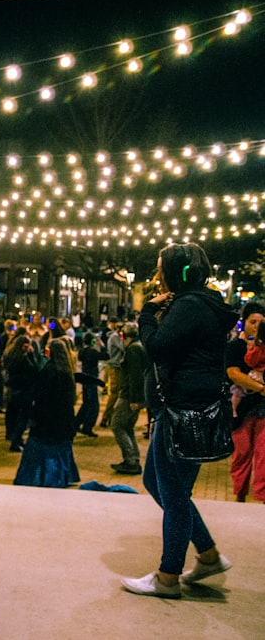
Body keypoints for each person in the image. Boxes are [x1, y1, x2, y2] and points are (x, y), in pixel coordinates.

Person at [122, 243, 234, 599]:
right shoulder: (201, 302)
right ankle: (208, 553)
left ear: (176, 271)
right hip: (184, 408)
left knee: (173, 494)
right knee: (156, 481)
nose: (157, 274)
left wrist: (145, 315)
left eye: (160, 267)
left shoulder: (189, 305)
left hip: (184, 412)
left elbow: (156, 347)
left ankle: (168, 577)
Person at [13, 339, 81, 488]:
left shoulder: (49, 371)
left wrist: (34, 415)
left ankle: (43, 476)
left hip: (47, 420)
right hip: (63, 419)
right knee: (60, 449)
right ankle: (63, 475)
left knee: (41, 448)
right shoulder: (67, 371)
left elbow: (41, 395)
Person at [225, 302, 265, 503]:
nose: (256, 326)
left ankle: (261, 498)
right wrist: (260, 388)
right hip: (241, 411)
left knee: (264, 457)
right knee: (242, 454)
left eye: (261, 322)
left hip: (263, 411)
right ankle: (240, 494)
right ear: (244, 322)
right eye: (253, 321)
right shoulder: (235, 346)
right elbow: (233, 373)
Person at [110, 323, 148, 475]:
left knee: (117, 425)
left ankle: (130, 460)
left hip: (128, 396)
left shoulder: (133, 349)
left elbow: (134, 376)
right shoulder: (140, 346)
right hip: (136, 395)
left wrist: (133, 398)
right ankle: (134, 459)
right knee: (128, 427)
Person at [2, 333, 41, 452]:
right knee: (24, 417)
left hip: (14, 389)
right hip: (25, 390)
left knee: (13, 414)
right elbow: (35, 370)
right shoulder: (24, 359)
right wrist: (31, 355)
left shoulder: (11, 356)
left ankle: (14, 436)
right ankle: (16, 440)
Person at [75, 331, 109, 437]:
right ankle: (87, 427)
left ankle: (76, 423)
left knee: (85, 404)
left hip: (85, 380)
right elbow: (106, 356)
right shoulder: (92, 352)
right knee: (93, 406)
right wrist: (102, 345)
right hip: (92, 379)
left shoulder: (81, 351)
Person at [99, 317, 125, 427]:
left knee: (116, 393)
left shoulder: (113, 336)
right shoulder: (115, 337)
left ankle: (109, 416)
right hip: (114, 366)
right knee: (114, 393)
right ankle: (106, 417)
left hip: (114, 366)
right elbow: (123, 347)